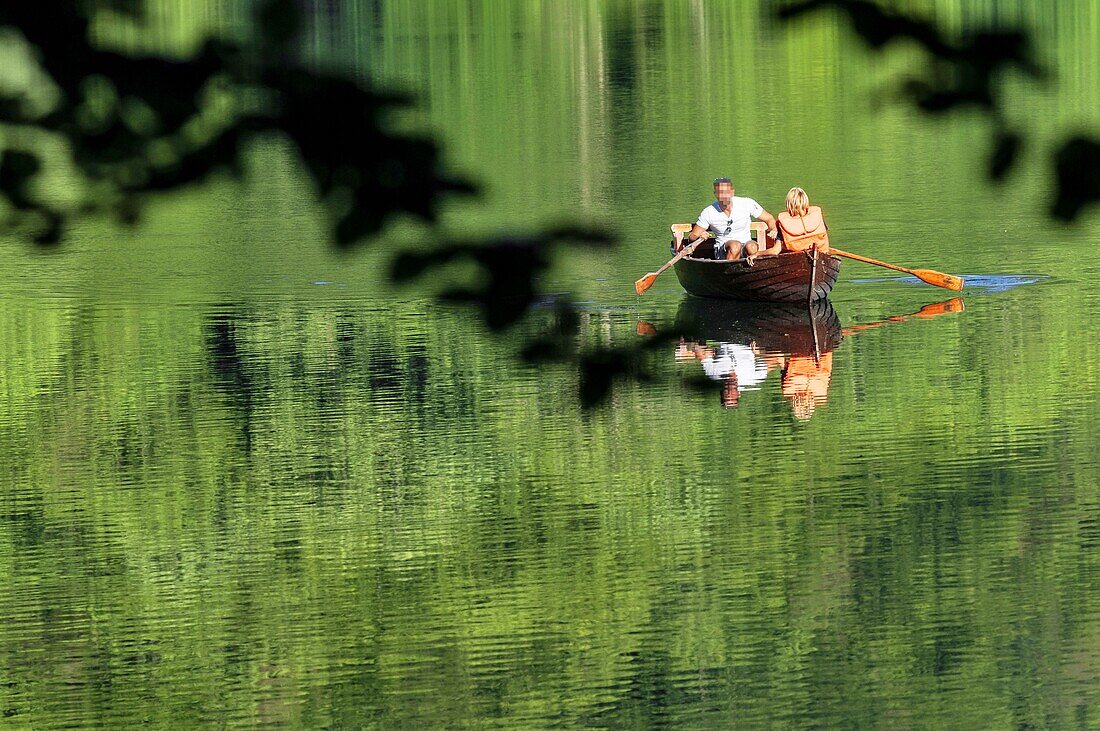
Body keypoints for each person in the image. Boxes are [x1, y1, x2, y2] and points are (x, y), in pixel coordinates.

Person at [685, 177, 780, 261]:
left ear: (732, 192)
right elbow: (692, 236)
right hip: (723, 250)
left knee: (752, 246)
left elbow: (769, 218)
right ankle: (729, 274)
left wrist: (774, 229)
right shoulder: (709, 212)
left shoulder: (746, 203)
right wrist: (700, 235)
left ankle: (752, 274)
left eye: (726, 192)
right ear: (715, 194)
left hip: (746, 245)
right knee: (735, 246)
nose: (724, 196)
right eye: (720, 192)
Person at [776, 187, 830, 253]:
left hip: (796, 256)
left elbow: (776, 250)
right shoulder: (817, 214)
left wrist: (760, 253)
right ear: (806, 201)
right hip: (820, 252)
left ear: (788, 204)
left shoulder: (782, 222)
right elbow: (826, 246)